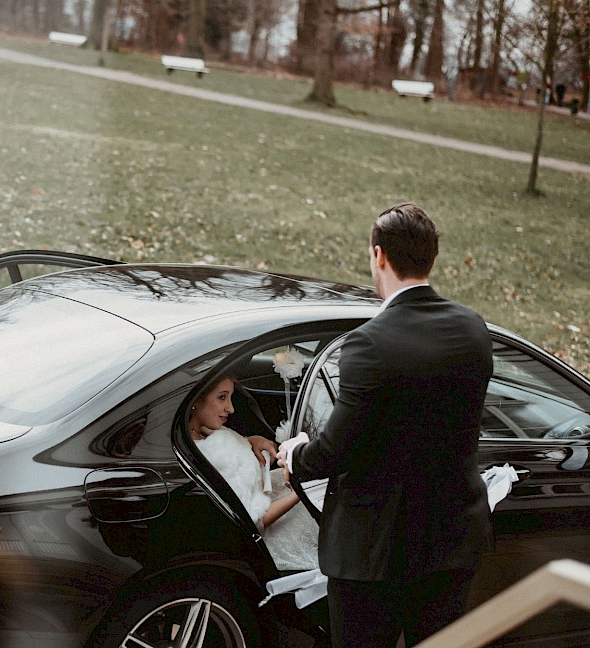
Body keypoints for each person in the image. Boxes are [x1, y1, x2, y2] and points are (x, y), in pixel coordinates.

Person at [277, 203, 493, 647]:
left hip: (376, 555)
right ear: (430, 257)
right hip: (452, 542)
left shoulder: (368, 344)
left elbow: (336, 450)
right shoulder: (473, 329)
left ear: (378, 255)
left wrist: (295, 452)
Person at [190, 377, 318, 571]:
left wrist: (251, 441)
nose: (231, 408)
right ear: (195, 401)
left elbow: (229, 445)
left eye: (230, 397)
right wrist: (299, 493)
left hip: (277, 492)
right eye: (222, 398)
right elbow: (255, 522)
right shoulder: (212, 455)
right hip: (276, 533)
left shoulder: (204, 432)